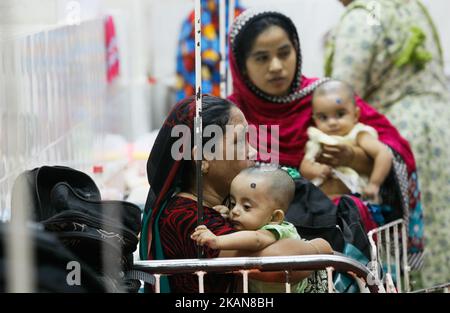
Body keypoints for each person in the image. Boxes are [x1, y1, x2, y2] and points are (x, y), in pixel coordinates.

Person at [228, 9, 423, 277]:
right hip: (268, 256)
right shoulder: (233, 116)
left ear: (296, 50)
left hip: (340, 243)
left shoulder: (326, 100)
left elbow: (395, 150)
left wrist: (351, 156)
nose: (276, 66)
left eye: (284, 53)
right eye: (262, 58)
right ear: (241, 64)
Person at [139, 95, 332, 293]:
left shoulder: (223, 208)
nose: (253, 151)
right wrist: (321, 248)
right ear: (202, 159)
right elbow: (283, 268)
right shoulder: (189, 218)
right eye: (239, 141)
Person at [325, 0, 449, 287]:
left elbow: (339, 97)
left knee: (406, 243)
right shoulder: (411, 6)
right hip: (443, 127)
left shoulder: (361, 18)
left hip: (401, 136)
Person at [192, 165, 328, 293]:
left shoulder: (273, 230)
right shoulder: (252, 222)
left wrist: (217, 240)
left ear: (275, 217)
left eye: (246, 207)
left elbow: (256, 240)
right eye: (233, 203)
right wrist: (226, 214)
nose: (235, 211)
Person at [300, 80, 393, 202]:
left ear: (355, 115)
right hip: (320, 201)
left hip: (352, 201)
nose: (332, 123)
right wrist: (317, 171)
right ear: (314, 119)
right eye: (323, 117)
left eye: (340, 114)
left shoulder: (358, 134)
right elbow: (304, 167)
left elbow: (384, 153)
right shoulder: (317, 138)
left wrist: (374, 184)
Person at [175, 0, 244, 101]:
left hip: (234, 92)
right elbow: (184, 60)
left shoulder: (242, 17)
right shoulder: (195, 18)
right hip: (201, 93)